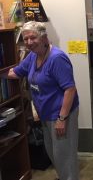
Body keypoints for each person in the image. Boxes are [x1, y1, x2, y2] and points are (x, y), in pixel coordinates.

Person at [1, 21, 79, 180]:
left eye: (33, 38)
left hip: (61, 115)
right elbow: (15, 73)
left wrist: (62, 119)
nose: (29, 42)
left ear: (44, 38)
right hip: (46, 115)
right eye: (25, 38)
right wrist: (1, 73)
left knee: (64, 156)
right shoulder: (32, 56)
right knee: (53, 153)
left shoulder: (57, 58)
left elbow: (70, 89)